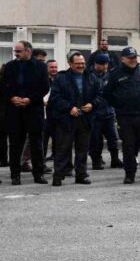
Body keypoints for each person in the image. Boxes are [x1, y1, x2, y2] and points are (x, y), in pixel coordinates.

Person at [104, 47, 140, 184]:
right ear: (122, 59)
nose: (133, 60)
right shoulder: (115, 74)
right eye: (130, 58)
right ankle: (130, 174)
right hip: (125, 116)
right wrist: (119, 105)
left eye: (135, 57)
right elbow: (107, 94)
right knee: (129, 146)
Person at [48, 52, 101, 186]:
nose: (81, 66)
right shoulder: (61, 78)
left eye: (82, 63)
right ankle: (58, 176)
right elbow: (55, 98)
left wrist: (92, 104)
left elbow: (101, 95)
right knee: (62, 149)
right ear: (70, 64)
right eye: (77, 64)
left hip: (85, 119)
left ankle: (81, 175)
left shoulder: (91, 77)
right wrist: (69, 107)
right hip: (66, 120)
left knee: (82, 149)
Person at [1, 41, 50, 185]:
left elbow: (44, 87)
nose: (16, 54)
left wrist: (29, 99)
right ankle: (15, 176)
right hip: (14, 110)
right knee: (15, 145)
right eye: (15, 51)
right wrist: (12, 97)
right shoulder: (10, 66)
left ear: (28, 51)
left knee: (36, 144)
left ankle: (38, 175)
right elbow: (3, 86)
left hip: (33, 110)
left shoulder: (40, 67)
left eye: (19, 51)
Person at [88, 54, 122, 170]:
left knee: (113, 138)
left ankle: (115, 159)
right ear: (96, 64)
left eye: (107, 64)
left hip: (109, 112)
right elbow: (94, 94)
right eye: (103, 64)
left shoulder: (109, 75)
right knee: (95, 140)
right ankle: (96, 161)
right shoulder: (89, 76)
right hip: (95, 113)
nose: (105, 66)